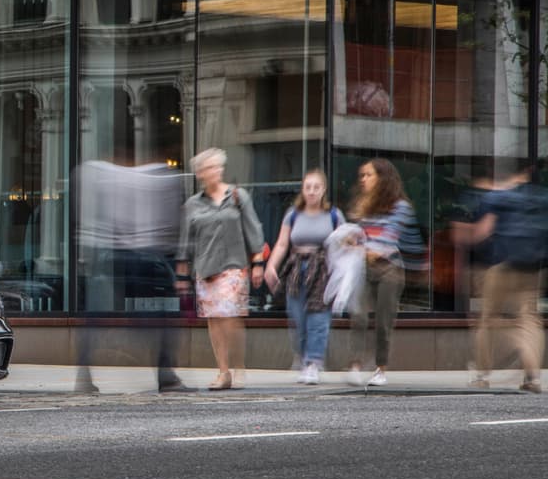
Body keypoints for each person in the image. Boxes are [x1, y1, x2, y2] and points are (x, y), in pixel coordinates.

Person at [75, 156, 188, 392]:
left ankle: (83, 374)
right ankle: (166, 374)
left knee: (95, 318)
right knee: (163, 316)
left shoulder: (98, 174)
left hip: (110, 256)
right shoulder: (159, 175)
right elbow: (165, 226)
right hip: (138, 255)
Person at [176, 148, 266, 390]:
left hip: (234, 266)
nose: (214, 171)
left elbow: (253, 230)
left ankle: (239, 365)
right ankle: (224, 372)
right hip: (205, 268)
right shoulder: (193, 204)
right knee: (215, 320)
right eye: (208, 168)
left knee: (228, 315)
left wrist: (258, 263)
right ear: (199, 174)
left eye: (217, 166)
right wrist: (182, 274)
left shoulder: (237, 196)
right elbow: (185, 241)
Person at [454, 161, 547, 393]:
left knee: (487, 318)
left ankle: (482, 375)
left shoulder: (497, 198)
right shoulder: (542, 198)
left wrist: (462, 237)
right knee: (529, 320)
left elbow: (482, 232)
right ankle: (532, 377)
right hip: (533, 269)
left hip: (502, 266)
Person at [345, 158, 426, 387]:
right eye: (362, 175)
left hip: (389, 269)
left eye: (368, 175)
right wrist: (351, 240)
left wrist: (367, 248)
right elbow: (361, 235)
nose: (363, 180)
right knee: (358, 315)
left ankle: (381, 369)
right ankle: (355, 365)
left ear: (383, 178)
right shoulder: (364, 204)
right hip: (365, 267)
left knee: (383, 321)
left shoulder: (400, 207)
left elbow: (389, 238)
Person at [264, 169, 345, 385]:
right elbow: (282, 244)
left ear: (323, 190)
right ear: (302, 189)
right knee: (298, 319)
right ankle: (303, 358)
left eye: (316, 187)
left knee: (318, 319)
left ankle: (313, 363)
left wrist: (342, 276)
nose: (311, 191)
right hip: (296, 269)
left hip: (322, 270)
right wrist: (271, 266)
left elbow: (343, 246)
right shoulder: (293, 214)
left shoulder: (334, 215)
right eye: (308, 187)